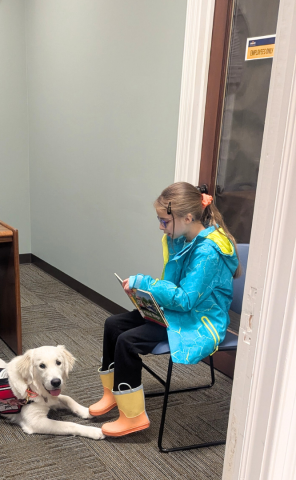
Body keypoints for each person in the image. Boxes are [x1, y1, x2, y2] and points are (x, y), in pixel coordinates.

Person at [89, 182, 240, 437]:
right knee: (113, 324)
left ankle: (133, 417)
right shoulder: (182, 239)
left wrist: (145, 283)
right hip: (181, 312)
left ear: (188, 218)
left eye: (164, 221)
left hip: (200, 321)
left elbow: (184, 300)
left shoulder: (208, 253)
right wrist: (145, 297)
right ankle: (114, 393)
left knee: (127, 342)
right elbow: (173, 288)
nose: (161, 226)